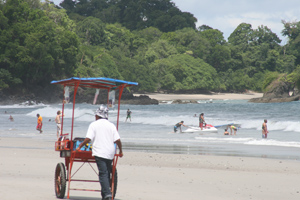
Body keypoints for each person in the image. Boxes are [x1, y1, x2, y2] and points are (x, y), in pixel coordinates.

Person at [76, 105, 123, 200]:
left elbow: (88, 139)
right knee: (107, 173)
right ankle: (105, 195)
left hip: (99, 152)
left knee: (103, 174)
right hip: (110, 153)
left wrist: (80, 146)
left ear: (97, 115)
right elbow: (117, 140)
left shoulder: (94, 124)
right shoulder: (111, 125)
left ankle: (107, 195)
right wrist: (121, 150)